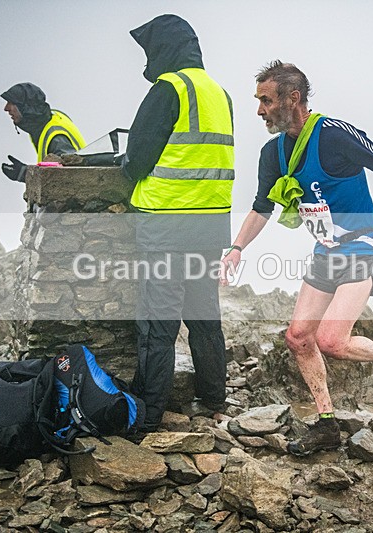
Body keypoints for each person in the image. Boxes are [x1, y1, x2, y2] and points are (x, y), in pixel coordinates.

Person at [221, 61, 373, 456]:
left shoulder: (335, 135)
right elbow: (261, 207)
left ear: (293, 98)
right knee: (298, 337)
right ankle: (326, 424)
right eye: (257, 101)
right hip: (326, 251)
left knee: (331, 340)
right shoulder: (273, 153)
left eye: (265, 101)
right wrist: (237, 249)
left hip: (363, 246)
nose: (259, 111)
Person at [121, 14, 234, 431]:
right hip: (210, 225)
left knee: (158, 322)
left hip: (168, 224)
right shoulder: (219, 94)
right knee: (204, 315)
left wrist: (130, 172)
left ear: (164, 48)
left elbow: (137, 159)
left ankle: (147, 415)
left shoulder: (169, 88)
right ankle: (213, 398)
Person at [0, 82, 85, 182]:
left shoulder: (56, 137)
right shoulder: (48, 122)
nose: (6, 108)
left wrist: (25, 174)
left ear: (25, 107)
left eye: (11, 103)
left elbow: (68, 176)